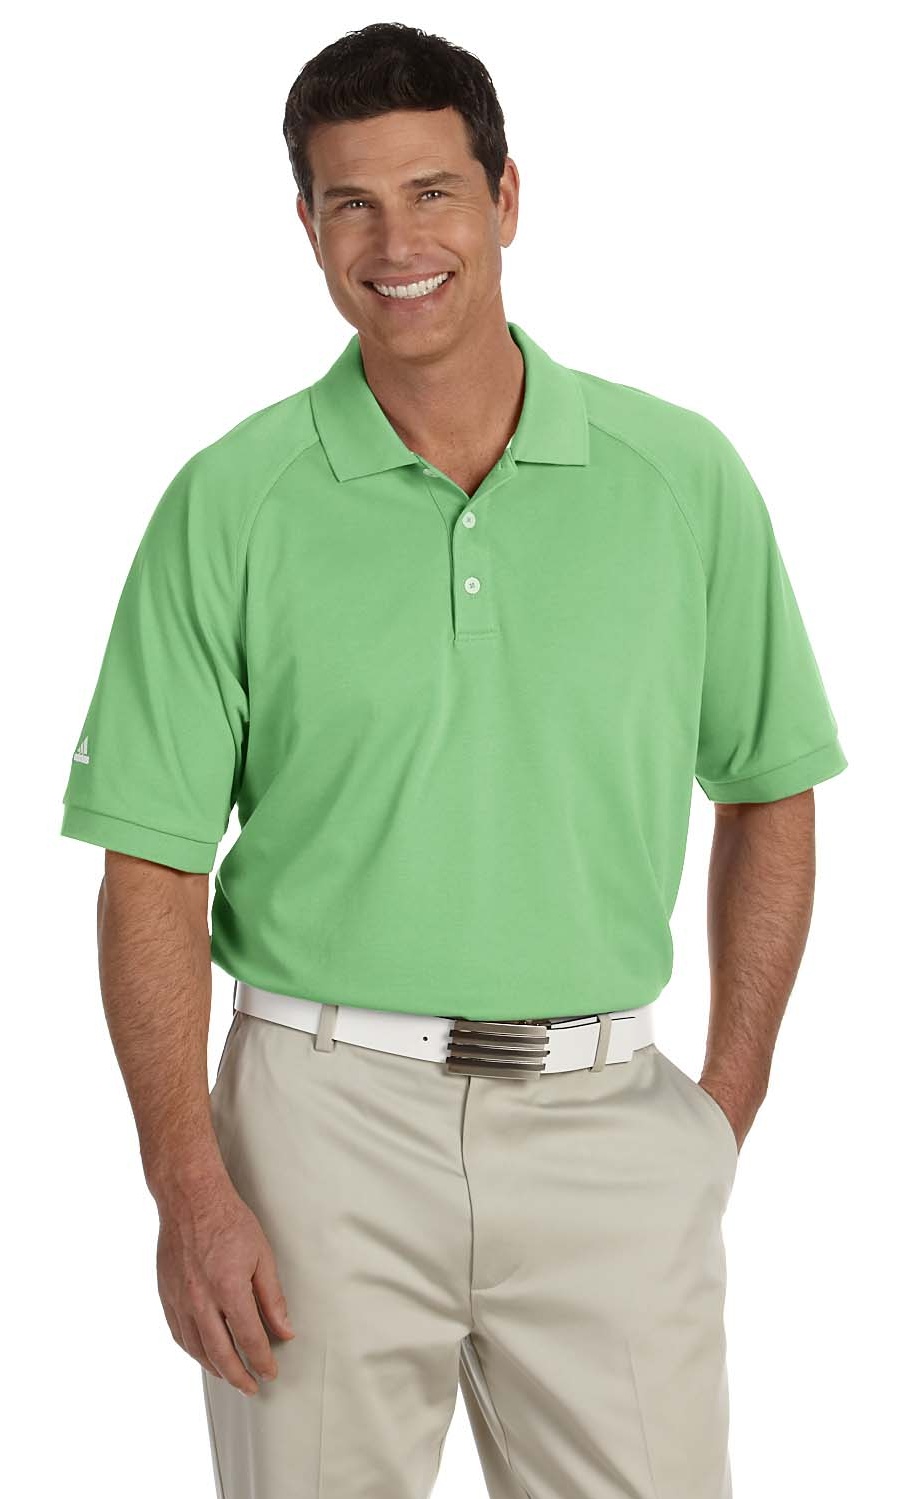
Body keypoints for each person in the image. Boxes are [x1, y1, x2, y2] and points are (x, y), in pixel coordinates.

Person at [59, 21, 848, 1499]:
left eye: (432, 193)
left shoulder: (682, 478)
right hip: (318, 1130)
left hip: (611, 1123)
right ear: (306, 227)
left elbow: (770, 787)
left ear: (506, 198)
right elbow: (149, 867)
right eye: (350, 203)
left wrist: (720, 1109)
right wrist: (188, 1185)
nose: (396, 243)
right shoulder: (230, 502)